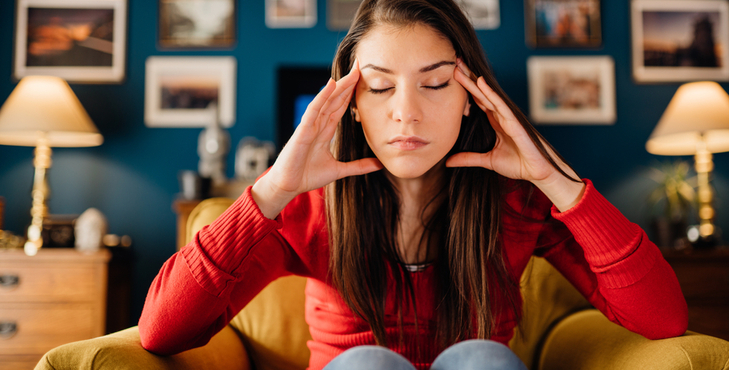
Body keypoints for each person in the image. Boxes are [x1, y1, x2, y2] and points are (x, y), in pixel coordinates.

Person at [139, 0, 688, 369]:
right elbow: (161, 332)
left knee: (482, 360)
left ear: (471, 94)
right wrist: (272, 190)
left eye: (434, 83)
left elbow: (662, 318)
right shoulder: (304, 210)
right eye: (379, 87)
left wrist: (555, 179)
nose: (407, 113)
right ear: (350, 105)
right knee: (365, 364)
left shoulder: (518, 203)